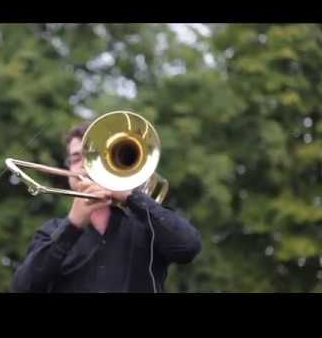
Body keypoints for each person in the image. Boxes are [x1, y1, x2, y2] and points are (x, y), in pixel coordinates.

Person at [11, 121, 202, 293]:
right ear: (69, 169)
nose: (84, 166)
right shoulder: (49, 233)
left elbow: (188, 248)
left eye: (92, 156)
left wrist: (130, 196)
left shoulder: (146, 226)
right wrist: (73, 225)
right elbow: (23, 287)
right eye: (76, 159)